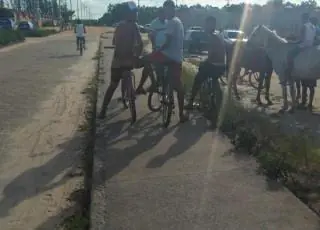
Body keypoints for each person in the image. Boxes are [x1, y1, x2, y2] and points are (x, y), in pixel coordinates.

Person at [98, 1, 143, 119]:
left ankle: (103, 110)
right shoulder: (134, 26)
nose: (136, 15)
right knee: (126, 77)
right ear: (131, 14)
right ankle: (126, 98)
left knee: (112, 85)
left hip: (117, 61)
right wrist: (136, 56)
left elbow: (114, 42)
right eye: (135, 13)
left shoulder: (119, 26)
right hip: (128, 61)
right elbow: (140, 44)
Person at [185, 16, 226, 110]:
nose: (205, 27)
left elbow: (211, 54)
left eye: (207, 24)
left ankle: (190, 103)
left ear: (211, 25)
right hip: (222, 66)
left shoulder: (212, 36)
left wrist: (204, 62)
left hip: (214, 66)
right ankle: (210, 96)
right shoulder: (219, 34)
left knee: (197, 80)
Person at [135, 8, 167, 94]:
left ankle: (150, 85)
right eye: (162, 14)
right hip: (157, 50)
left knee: (148, 65)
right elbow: (151, 36)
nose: (164, 16)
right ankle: (150, 85)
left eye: (164, 14)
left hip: (166, 51)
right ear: (159, 14)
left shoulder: (168, 23)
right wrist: (154, 46)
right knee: (147, 63)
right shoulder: (154, 23)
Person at [286, 13, 316, 79]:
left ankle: (290, 72)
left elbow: (300, 40)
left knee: (289, 54)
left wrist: (292, 42)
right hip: (310, 46)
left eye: (302, 19)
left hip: (303, 46)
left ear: (303, 18)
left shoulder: (304, 26)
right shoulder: (313, 26)